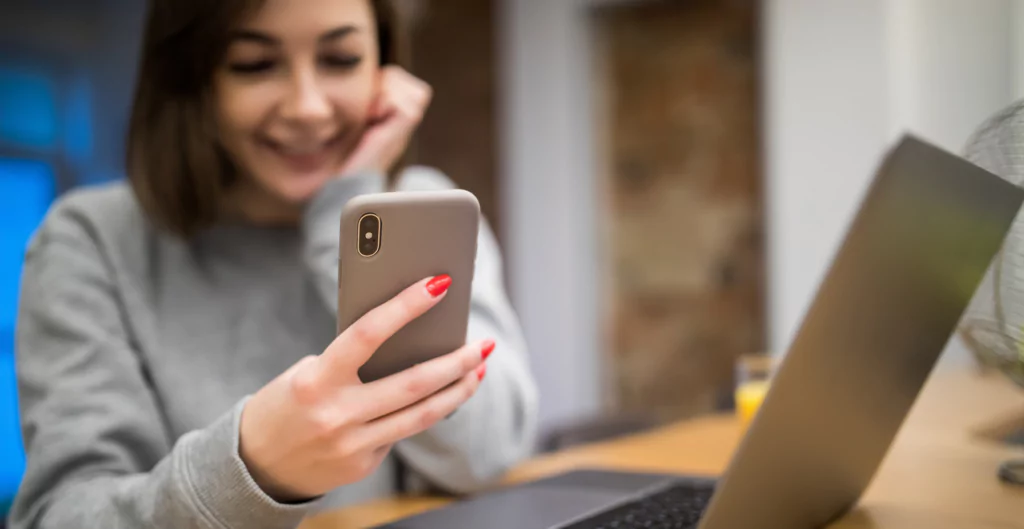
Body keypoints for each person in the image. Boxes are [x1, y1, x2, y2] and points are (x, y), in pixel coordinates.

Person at [8, 0, 539, 527]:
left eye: (340, 59)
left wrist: (345, 219)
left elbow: (490, 456)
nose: (307, 106)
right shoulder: (92, 241)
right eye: (254, 65)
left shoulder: (421, 205)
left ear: (384, 69)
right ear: (193, 75)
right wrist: (254, 468)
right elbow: (59, 516)